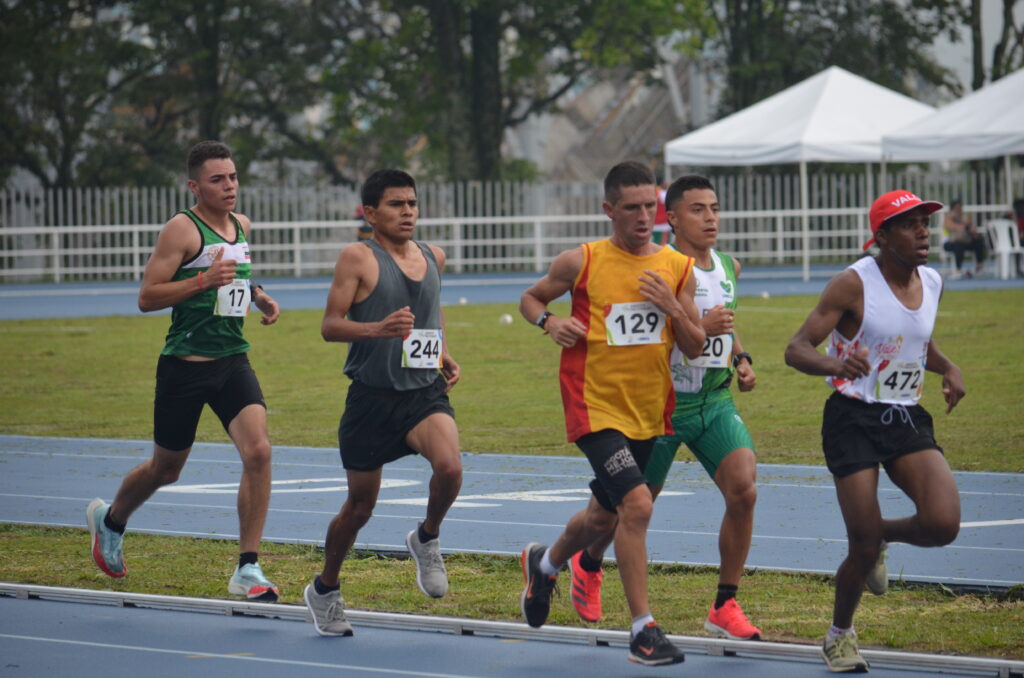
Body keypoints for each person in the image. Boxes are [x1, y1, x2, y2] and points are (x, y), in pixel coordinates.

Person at [518, 161, 706, 666]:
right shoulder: (581, 262)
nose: (645, 216)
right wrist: (550, 322)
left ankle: (547, 563)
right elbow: (531, 298)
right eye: (632, 207)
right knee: (638, 506)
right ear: (609, 210)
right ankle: (644, 630)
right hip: (592, 405)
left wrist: (674, 307)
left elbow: (695, 346)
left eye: (651, 206)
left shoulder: (676, 268)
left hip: (647, 410)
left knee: (604, 515)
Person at [567, 174, 762, 641]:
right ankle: (587, 561)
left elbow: (724, 324)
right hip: (661, 403)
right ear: (670, 218)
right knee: (625, 509)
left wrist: (740, 357)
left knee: (745, 490)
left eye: (714, 208)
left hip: (713, 399)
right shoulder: (657, 267)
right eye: (698, 210)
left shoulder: (728, 265)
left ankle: (725, 603)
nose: (710, 218)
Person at [86, 140, 282, 602]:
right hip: (184, 367)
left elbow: (234, 275)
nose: (230, 186)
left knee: (259, 451)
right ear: (195, 186)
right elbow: (147, 296)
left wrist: (257, 294)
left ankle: (247, 568)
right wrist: (199, 281)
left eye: (233, 176)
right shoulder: (182, 229)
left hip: (233, 361)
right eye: (218, 179)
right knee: (166, 469)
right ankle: (110, 520)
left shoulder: (241, 225)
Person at [784, 189, 964, 672]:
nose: (923, 231)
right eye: (910, 224)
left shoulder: (933, 281)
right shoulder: (853, 284)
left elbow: (914, 339)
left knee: (944, 523)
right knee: (859, 549)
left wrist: (948, 367)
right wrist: (835, 362)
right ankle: (839, 634)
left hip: (904, 416)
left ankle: (878, 535)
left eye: (925, 222)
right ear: (881, 237)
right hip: (853, 418)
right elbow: (796, 348)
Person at [304, 169, 462, 637]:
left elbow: (432, 311)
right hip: (371, 399)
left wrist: (444, 351)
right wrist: (377, 329)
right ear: (371, 213)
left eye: (412, 203)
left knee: (450, 467)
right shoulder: (358, 257)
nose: (408, 212)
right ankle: (325, 589)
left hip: (422, 393)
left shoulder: (435, 255)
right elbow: (330, 325)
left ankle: (427, 538)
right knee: (358, 508)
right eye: (396, 204)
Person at [942, 199, 986, 278]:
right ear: (952, 210)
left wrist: (971, 229)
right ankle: (957, 270)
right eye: (957, 209)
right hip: (950, 243)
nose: (959, 210)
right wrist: (964, 224)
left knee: (979, 241)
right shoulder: (947, 218)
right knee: (958, 245)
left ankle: (979, 267)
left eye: (960, 208)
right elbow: (954, 227)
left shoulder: (964, 218)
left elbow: (972, 230)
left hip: (964, 241)